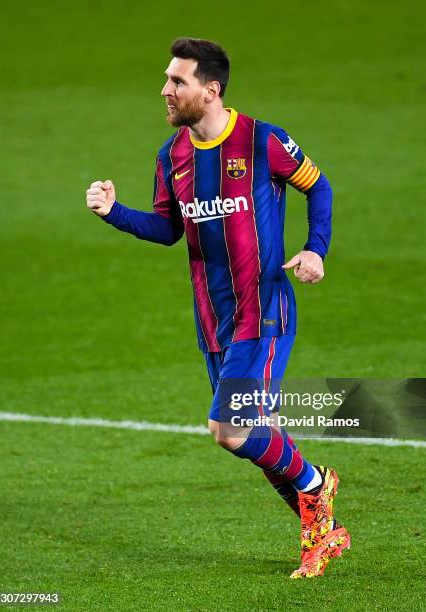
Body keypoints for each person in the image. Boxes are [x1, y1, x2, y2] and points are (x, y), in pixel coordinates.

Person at [85, 37, 350, 578]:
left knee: (229, 429)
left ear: (210, 91)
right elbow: (167, 229)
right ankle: (319, 532)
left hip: (264, 311)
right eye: (166, 78)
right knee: (254, 432)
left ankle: (316, 487)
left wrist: (315, 249)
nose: (165, 89)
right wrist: (114, 212)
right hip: (213, 319)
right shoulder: (172, 157)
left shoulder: (263, 141)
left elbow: (318, 186)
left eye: (176, 81)